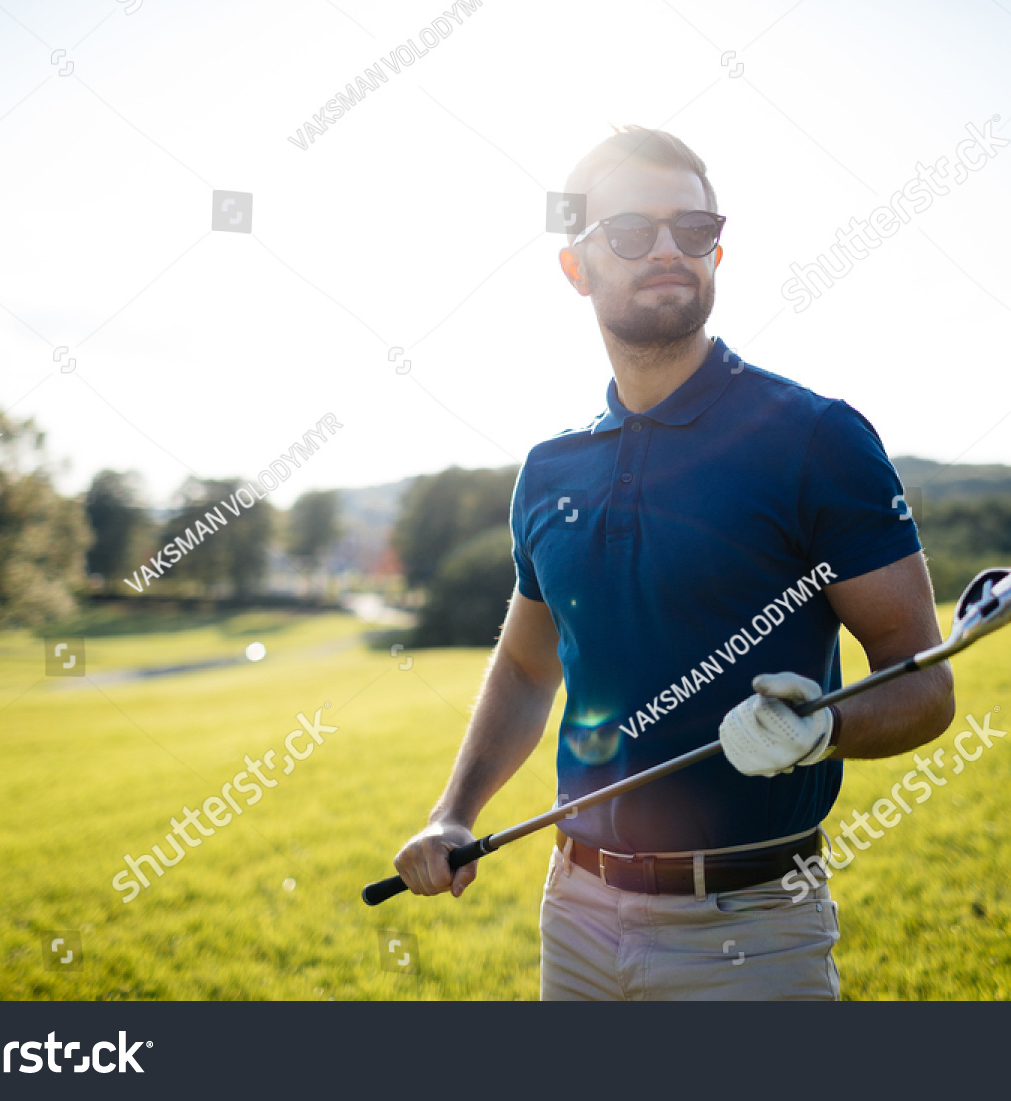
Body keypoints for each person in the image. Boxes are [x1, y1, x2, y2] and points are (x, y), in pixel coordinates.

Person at [393, 126, 956, 1000]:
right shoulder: (549, 469)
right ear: (575, 266)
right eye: (630, 232)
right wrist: (453, 810)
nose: (667, 250)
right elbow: (525, 665)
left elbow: (924, 684)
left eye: (692, 231)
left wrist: (826, 726)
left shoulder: (815, 438)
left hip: (750, 928)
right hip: (573, 915)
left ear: (718, 251)